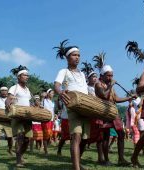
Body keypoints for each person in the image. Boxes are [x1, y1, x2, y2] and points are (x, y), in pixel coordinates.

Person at [54, 40, 90, 170]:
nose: (77, 57)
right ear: (68, 57)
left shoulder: (82, 73)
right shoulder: (64, 71)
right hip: (73, 106)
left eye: (79, 55)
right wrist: (61, 92)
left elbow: (85, 90)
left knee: (85, 139)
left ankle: (77, 163)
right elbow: (57, 85)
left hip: (86, 108)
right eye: (74, 55)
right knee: (76, 136)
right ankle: (76, 168)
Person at [95, 64, 135, 166]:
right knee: (106, 136)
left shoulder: (109, 86)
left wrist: (129, 98)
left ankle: (121, 159)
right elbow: (104, 95)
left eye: (112, 75)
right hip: (103, 112)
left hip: (113, 111)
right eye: (108, 76)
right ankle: (106, 160)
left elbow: (116, 99)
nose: (111, 78)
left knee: (121, 134)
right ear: (102, 75)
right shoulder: (98, 84)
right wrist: (111, 85)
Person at [5, 65, 33, 167]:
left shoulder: (28, 90)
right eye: (24, 75)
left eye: (27, 75)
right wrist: (8, 103)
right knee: (20, 137)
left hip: (27, 117)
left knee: (27, 139)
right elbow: (9, 98)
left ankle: (20, 155)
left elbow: (30, 102)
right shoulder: (14, 87)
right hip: (17, 116)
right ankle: (18, 161)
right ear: (19, 77)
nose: (27, 77)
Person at [42, 88, 55, 155]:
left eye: (53, 93)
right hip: (45, 120)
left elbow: (53, 112)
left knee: (49, 135)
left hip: (51, 120)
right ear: (48, 94)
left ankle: (45, 148)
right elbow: (41, 106)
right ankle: (46, 151)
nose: (53, 94)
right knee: (45, 135)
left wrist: (54, 120)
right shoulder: (44, 101)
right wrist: (42, 97)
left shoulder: (53, 102)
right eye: (52, 93)